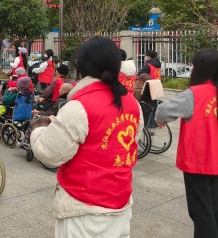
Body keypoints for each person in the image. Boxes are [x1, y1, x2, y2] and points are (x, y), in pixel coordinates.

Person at [30, 37, 142, 238]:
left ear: (81, 68)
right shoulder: (133, 104)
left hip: (84, 210)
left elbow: (49, 152)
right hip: (121, 206)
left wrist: (40, 126)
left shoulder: (79, 106)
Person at [156, 48, 218, 238]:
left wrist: (161, 120)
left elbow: (163, 112)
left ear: (200, 69)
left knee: (202, 214)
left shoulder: (194, 94)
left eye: (193, 65)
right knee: (214, 210)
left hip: (199, 162)